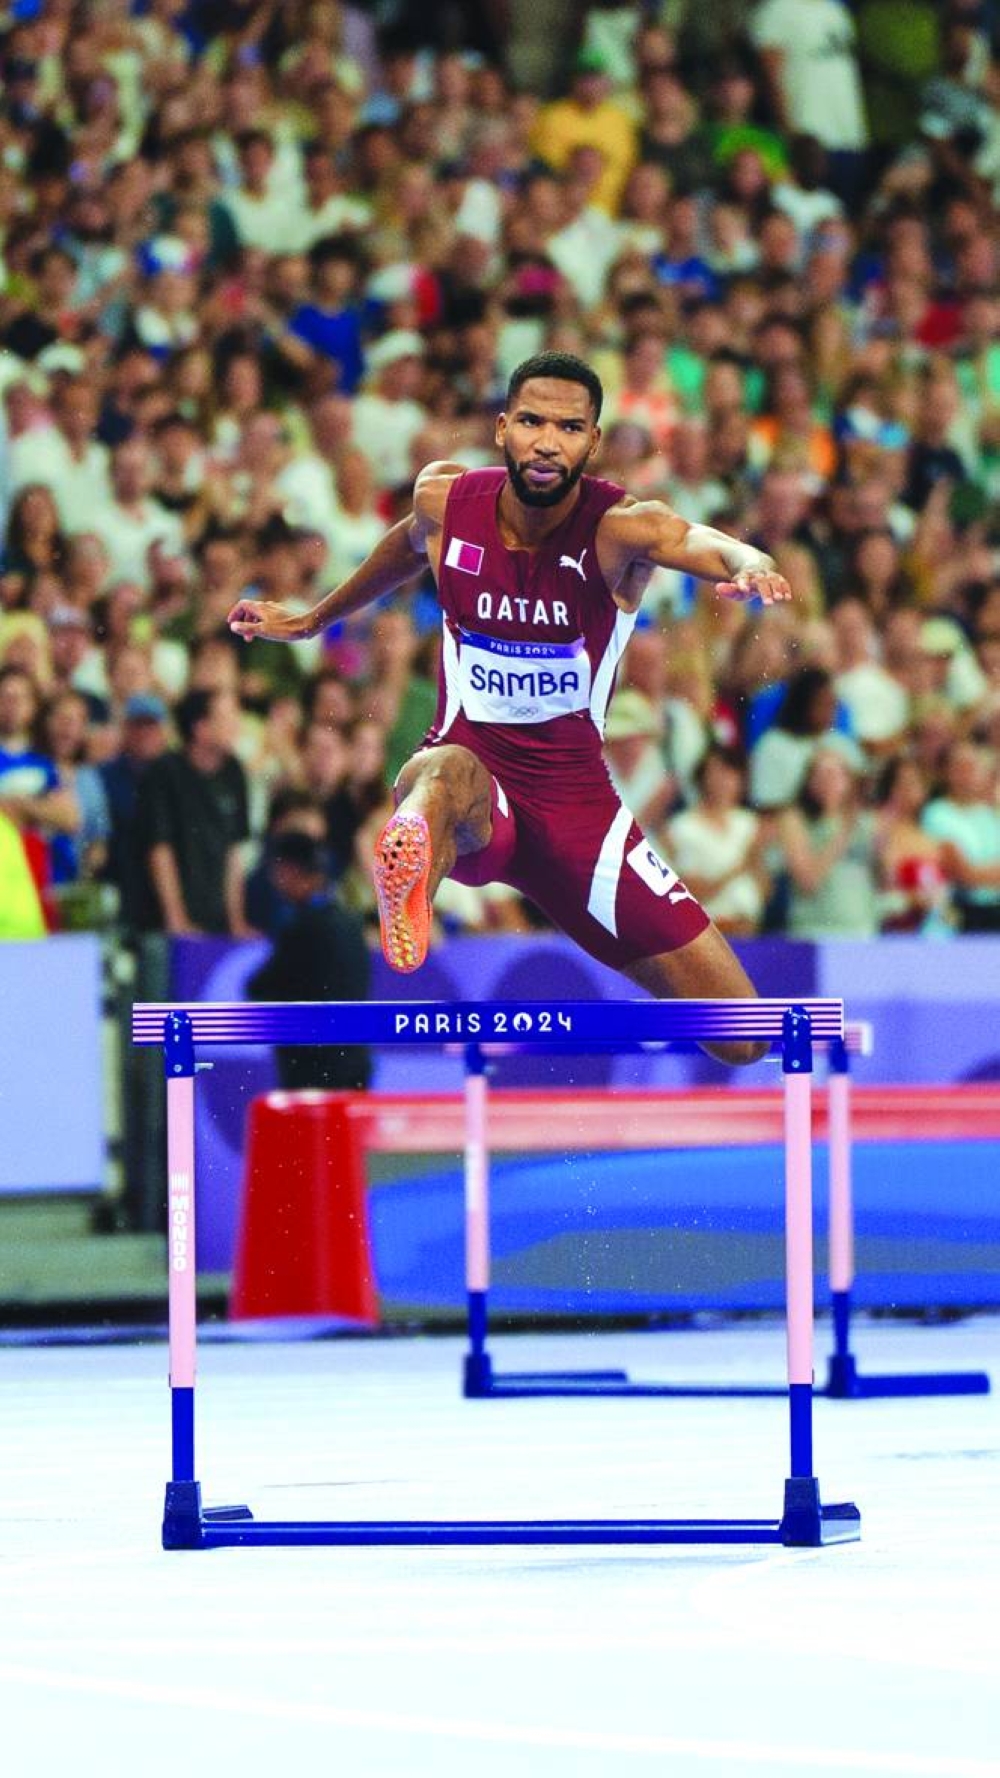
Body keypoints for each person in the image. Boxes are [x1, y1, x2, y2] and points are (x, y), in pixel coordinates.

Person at [229, 351, 793, 1065]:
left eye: (568, 427)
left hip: (577, 813)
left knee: (743, 1037)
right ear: (502, 428)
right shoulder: (445, 500)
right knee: (443, 768)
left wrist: (749, 562)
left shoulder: (621, 527)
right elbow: (406, 546)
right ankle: (411, 867)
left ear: (592, 440)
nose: (547, 441)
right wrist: (315, 618)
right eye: (530, 421)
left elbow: (694, 541)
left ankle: (448, 859)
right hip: (473, 789)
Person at [246, 829, 372, 1092]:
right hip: (354, 1065)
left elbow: (259, 986)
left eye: (279, 870)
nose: (275, 878)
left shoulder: (302, 927)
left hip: (312, 1069)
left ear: (291, 871)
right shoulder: (351, 921)